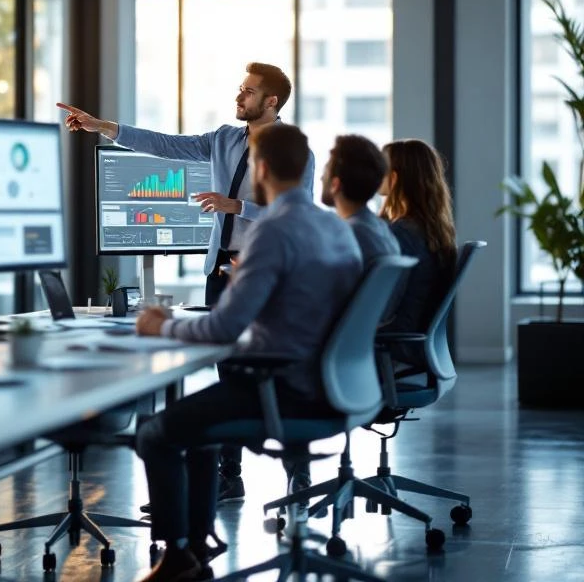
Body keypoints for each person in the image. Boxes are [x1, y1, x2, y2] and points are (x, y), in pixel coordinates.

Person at [58, 62, 315, 500]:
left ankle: (299, 476)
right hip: (222, 270)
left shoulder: (294, 152)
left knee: (277, 372)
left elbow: (297, 210)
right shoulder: (224, 139)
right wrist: (103, 127)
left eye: (248, 92)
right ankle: (229, 476)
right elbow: (164, 144)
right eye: (240, 88)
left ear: (271, 101)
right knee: (226, 371)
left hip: (268, 271)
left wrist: (238, 207)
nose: (239, 97)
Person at [132, 125, 363, 581]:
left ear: (260, 169)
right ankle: (197, 543)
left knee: (155, 433)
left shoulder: (272, 230)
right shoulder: (334, 227)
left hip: (281, 388)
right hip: (335, 387)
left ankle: (178, 557)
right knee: (200, 432)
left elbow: (223, 328)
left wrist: (163, 325)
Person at [378, 139, 457, 365]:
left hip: (396, 340)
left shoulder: (403, 232)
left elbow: (385, 306)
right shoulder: (432, 229)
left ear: (394, 178)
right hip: (416, 339)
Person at [320, 134, 399, 266]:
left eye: (326, 171)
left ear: (335, 185)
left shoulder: (347, 236)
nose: (321, 178)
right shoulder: (383, 230)